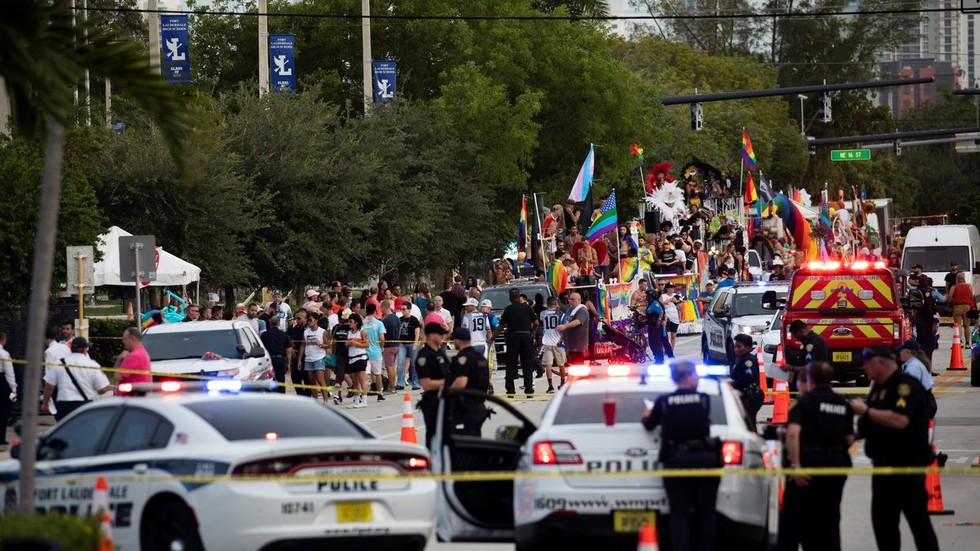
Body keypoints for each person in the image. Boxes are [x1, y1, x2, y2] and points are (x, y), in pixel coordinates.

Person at [849, 345, 938, 551]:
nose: (863, 368)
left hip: (906, 468)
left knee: (919, 525)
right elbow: (870, 425)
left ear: (880, 362)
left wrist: (866, 410)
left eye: (867, 363)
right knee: (884, 527)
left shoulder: (905, 386)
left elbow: (899, 420)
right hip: (883, 468)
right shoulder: (879, 387)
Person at [641, 360, 721, 551]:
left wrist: (647, 413)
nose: (698, 379)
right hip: (705, 461)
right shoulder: (703, 399)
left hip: (676, 461)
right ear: (686, 376)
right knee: (706, 514)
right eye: (695, 375)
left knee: (679, 514)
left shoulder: (663, 401)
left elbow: (649, 424)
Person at [778, 361, 855, 551]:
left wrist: (795, 466)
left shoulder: (804, 402)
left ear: (810, 380)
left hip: (808, 466)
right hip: (835, 468)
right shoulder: (841, 403)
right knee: (829, 520)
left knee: (793, 521)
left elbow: (794, 433)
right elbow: (850, 438)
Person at [41, 338, 111, 421]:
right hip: (84, 406)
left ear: (71, 348)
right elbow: (103, 389)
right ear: (85, 349)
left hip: (63, 405)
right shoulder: (92, 365)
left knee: (64, 430)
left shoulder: (59, 363)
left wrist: (45, 403)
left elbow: (49, 386)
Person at [492, 287, 539, 397]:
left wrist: (493, 338)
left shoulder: (508, 309)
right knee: (527, 363)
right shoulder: (527, 308)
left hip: (513, 338)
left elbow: (501, 326)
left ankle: (510, 390)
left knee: (511, 364)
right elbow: (536, 322)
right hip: (526, 337)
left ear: (510, 298)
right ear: (519, 297)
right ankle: (529, 389)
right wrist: (531, 331)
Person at [446, 328, 491, 436]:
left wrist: (446, 393)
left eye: (454, 340)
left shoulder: (463, 358)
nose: (453, 342)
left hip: (466, 407)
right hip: (479, 405)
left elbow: (461, 382)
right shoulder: (480, 358)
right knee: (475, 438)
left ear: (459, 340)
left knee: (464, 441)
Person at [416, 322, 451, 449]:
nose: (442, 337)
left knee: (447, 436)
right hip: (434, 402)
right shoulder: (424, 356)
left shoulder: (440, 353)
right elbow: (426, 384)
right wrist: (450, 382)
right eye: (440, 334)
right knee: (434, 436)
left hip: (447, 401)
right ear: (430, 336)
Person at [896, 340, 937, 419]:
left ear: (908, 353)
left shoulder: (913, 367)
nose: (900, 353)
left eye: (902, 351)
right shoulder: (917, 362)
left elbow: (910, 389)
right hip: (925, 401)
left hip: (920, 404)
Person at [730, 334, 763, 424]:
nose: (736, 349)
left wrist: (733, 383)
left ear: (747, 348)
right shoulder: (739, 359)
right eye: (735, 346)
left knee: (749, 422)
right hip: (743, 395)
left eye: (739, 346)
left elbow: (748, 378)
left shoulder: (748, 361)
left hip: (751, 396)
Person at [785, 320, 828, 388]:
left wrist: (791, 368)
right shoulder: (813, 340)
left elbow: (810, 367)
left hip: (815, 382)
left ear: (801, 332)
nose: (796, 339)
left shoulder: (812, 343)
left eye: (796, 336)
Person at [298, 312, 329, 403]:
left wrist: (321, 344)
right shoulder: (306, 332)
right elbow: (303, 346)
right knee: (311, 381)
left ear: (316, 320)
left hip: (319, 357)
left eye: (310, 320)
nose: (309, 321)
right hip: (308, 358)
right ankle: (315, 401)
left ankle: (325, 401)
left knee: (320, 379)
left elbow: (329, 344)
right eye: (308, 320)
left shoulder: (322, 331)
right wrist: (299, 360)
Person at [260, 312, 291, 393]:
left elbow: (261, 348)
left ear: (270, 323)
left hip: (269, 360)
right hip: (280, 360)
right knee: (281, 381)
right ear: (279, 323)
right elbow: (289, 350)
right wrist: (288, 362)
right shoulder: (284, 335)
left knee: (269, 380)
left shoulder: (265, 335)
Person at [114, 327, 151, 395]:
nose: (123, 341)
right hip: (139, 395)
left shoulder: (133, 357)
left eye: (125, 339)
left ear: (132, 339)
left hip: (131, 397)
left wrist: (119, 359)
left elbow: (117, 377)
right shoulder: (142, 352)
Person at [363, 303, 388, 402]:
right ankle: (379, 394)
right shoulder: (379, 323)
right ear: (375, 311)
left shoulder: (362, 323)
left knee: (364, 375)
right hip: (376, 352)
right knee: (378, 374)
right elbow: (382, 338)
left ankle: (362, 396)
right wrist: (382, 347)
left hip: (364, 351)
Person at [539, 296, 565, 392]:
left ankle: (550, 385)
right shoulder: (560, 314)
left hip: (546, 341)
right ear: (556, 303)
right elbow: (563, 326)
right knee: (561, 363)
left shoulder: (543, 313)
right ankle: (562, 382)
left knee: (548, 364)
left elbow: (541, 322)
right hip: (558, 341)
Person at [557, 291, 590, 366]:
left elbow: (578, 321)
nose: (570, 301)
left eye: (572, 299)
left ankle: (580, 376)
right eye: (570, 299)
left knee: (578, 362)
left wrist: (565, 326)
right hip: (570, 343)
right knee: (573, 362)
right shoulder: (570, 310)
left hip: (578, 343)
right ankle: (575, 376)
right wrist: (561, 338)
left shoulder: (582, 310)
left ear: (578, 300)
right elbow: (566, 322)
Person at [345, 313, 370, 408]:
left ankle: (364, 400)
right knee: (354, 380)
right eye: (348, 321)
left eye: (351, 321)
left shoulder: (362, 332)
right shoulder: (349, 332)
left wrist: (355, 343)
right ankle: (356, 400)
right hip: (351, 357)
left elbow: (367, 344)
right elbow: (346, 345)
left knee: (362, 379)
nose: (349, 323)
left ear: (356, 322)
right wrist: (347, 344)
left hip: (360, 357)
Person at [396, 303, 422, 390]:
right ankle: (400, 383)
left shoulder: (414, 320)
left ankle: (416, 384)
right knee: (400, 363)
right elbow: (399, 332)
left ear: (409, 309)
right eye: (401, 309)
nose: (402, 311)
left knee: (414, 364)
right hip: (402, 343)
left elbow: (417, 332)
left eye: (404, 309)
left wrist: (415, 344)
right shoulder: (400, 319)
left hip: (412, 343)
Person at [948, 271, 976, 346]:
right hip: (967, 307)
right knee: (967, 326)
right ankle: (967, 343)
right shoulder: (969, 287)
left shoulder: (954, 287)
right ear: (964, 279)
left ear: (957, 279)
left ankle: (960, 342)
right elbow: (972, 297)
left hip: (957, 307)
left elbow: (950, 298)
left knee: (958, 325)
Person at [287, 309, 311, 397]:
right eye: (296, 318)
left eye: (299, 318)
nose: (297, 320)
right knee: (295, 378)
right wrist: (291, 349)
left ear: (305, 318)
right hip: (295, 356)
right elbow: (289, 339)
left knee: (307, 379)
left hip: (307, 356)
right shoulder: (294, 328)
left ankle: (307, 397)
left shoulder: (309, 329)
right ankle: (301, 395)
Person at [330, 310, 351, 404]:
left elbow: (333, 343)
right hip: (349, 355)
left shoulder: (337, 327)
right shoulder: (352, 327)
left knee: (339, 377)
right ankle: (358, 397)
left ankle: (336, 395)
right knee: (355, 376)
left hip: (340, 355)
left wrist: (333, 355)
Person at [381, 300, 401, 394]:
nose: (381, 310)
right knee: (393, 367)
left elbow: (382, 334)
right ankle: (392, 386)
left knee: (389, 367)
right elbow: (400, 330)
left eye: (381, 308)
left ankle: (392, 388)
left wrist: (382, 345)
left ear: (384, 307)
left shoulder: (386, 320)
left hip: (388, 346)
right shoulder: (396, 318)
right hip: (396, 344)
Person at [0, 332, 17, 442]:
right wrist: (13, 389)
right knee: (4, 410)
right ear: (3, 340)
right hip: (2, 383)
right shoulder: (4, 354)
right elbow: (10, 373)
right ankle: (1, 437)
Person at [645, 290, 668, 363]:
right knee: (652, 343)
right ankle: (657, 357)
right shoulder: (650, 303)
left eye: (647, 295)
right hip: (651, 325)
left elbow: (661, 312)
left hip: (656, 326)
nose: (646, 297)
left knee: (656, 342)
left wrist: (659, 320)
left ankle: (660, 359)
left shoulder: (655, 303)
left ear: (650, 296)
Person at [660, 282, 681, 350]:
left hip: (675, 317)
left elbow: (680, 308)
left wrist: (676, 302)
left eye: (673, 287)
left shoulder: (676, 296)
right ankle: (667, 350)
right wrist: (668, 301)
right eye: (671, 288)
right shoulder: (663, 296)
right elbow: (660, 306)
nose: (673, 289)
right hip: (667, 317)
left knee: (673, 336)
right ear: (667, 288)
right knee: (667, 335)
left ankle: (672, 350)